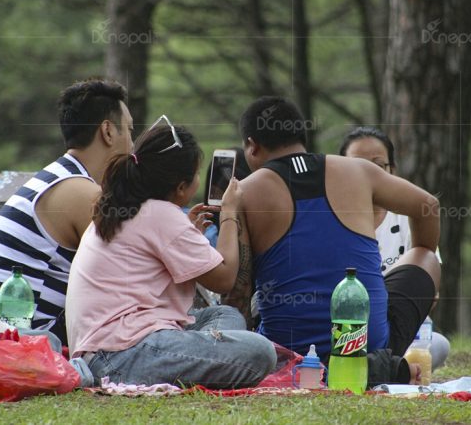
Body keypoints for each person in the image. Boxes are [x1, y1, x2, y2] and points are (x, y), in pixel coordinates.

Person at [225, 96, 441, 383]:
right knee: (426, 256)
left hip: (287, 352)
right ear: (301, 135)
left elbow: (237, 292)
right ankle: (373, 363)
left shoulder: (243, 193)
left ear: (252, 146)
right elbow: (429, 205)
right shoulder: (359, 170)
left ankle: (330, 367)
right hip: (368, 345)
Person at [66, 117, 276, 388]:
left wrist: (186, 236)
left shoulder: (122, 207)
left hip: (107, 347)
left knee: (225, 316)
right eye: (196, 174)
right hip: (120, 356)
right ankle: (207, 359)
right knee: (260, 351)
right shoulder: (162, 214)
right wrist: (229, 212)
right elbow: (225, 279)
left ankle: (203, 357)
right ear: (180, 187)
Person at [0, 79, 134, 344]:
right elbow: (132, 270)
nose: (132, 145)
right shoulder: (80, 192)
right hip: (25, 345)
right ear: (108, 132)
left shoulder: (55, 179)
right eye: (129, 130)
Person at [340, 126, 449, 369]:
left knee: (438, 345)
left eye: (378, 166)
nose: (367, 175)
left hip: (400, 329)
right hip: (345, 329)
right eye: (357, 166)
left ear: (392, 171)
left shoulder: (411, 218)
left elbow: (428, 291)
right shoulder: (330, 220)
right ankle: (393, 369)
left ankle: (391, 366)